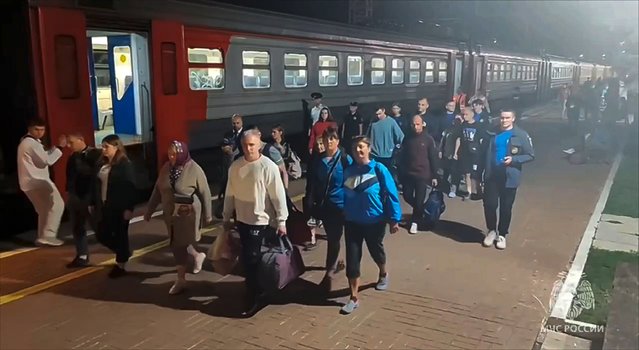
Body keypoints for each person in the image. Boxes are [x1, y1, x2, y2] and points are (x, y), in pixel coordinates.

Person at [222, 129, 289, 317]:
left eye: (252, 145)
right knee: (249, 259)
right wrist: (226, 217)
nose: (248, 148)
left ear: (259, 145)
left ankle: (253, 297)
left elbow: (278, 195)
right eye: (245, 145)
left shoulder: (268, 167)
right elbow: (229, 194)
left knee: (253, 260)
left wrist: (282, 221)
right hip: (242, 220)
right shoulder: (235, 167)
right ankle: (257, 290)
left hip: (262, 221)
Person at [340, 136, 401, 314]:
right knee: (352, 259)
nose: (358, 151)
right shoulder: (349, 171)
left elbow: (390, 193)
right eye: (355, 148)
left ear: (368, 148)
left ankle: (383, 272)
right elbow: (344, 193)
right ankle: (353, 297)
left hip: (375, 221)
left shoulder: (379, 169)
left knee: (376, 250)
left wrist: (394, 219)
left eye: (361, 147)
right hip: (352, 222)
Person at [144, 140, 212, 294]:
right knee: (177, 243)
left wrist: (208, 215)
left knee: (180, 243)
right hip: (170, 215)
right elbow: (157, 190)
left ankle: (184, 273)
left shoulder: (194, 169)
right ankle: (190, 265)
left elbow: (205, 193)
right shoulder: (166, 169)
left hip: (188, 214)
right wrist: (149, 210)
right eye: (169, 154)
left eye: (174, 154)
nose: (172, 157)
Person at [307, 127, 352, 292]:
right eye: (326, 139)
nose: (329, 142)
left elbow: (355, 180)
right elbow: (312, 184)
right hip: (327, 207)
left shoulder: (345, 159)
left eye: (332, 139)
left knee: (348, 240)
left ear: (338, 141)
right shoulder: (318, 160)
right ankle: (331, 271)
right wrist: (310, 204)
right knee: (333, 240)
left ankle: (336, 274)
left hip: (344, 207)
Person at [482, 109, 534, 250]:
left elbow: (530, 155)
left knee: (506, 207)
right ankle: (491, 230)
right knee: (490, 205)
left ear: (513, 118)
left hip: (509, 177)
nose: (504, 120)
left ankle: (502, 234)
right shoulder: (491, 133)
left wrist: (514, 159)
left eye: (507, 118)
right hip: (492, 175)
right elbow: (483, 152)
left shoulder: (521, 135)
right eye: (502, 118)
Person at [92, 135, 137, 278]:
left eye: (107, 147)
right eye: (102, 146)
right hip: (105, 205)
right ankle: (123, 252)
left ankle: (121, 264)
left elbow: (131, 187)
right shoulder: (102, 163)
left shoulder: (124, 164)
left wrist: (129, 208)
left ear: (116, 147)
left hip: (119, 206)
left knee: (120, 234)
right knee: (101, 234)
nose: (103, 149)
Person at [17, 118, 67, 247]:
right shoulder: (31, 143)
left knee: (44, 209)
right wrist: (60, 147)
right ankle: (49, 235)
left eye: (42, 130)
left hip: (28, 183)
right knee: (58, 204)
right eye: (36, 129)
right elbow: (47, 161)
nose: (40, 132)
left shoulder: (26, 142)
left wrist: (52, 149)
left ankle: (41, 236)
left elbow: (42, 157)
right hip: (38, 181)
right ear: (30, 129)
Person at [65, 133, 101, 267]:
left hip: (89, 196)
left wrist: (94, 200)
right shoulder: (72, 158)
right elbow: (69, 177)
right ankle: (82, 255)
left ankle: (119, 249)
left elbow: (96, 178)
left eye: (71, 142)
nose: (69, 146)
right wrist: (69, 193)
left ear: (81, 140)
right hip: (76, 196)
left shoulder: (95, 155)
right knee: (77, 227)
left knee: (97, 225)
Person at [400, 115, 439, 234]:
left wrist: (435, 176)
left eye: (417, 124)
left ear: (423, 124)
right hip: (408, 173)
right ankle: (422, 211)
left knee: (418, 199)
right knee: (407, 196)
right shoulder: (407, 138)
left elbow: (433, 158)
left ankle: (415, 222)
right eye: (413, 124)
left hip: (422, 175)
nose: (415, 127)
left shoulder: (428, 139)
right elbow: (403, 156)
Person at [456, 106, 487, 201]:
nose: (465, 116)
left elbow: (482, 140)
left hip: (475, 153)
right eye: (463, 115)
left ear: (472, 114)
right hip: (465, 153)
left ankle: (479, 191)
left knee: (476, 174)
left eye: (466, 114)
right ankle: (468, 192)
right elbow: (459, 139)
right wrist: (456, 152)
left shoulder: (479, 126)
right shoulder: (462, 126)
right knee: (467, 173)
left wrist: (482, 152)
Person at [367, 106, 404, 170]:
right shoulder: (372, 123)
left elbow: (400, 137)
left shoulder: (391, 122)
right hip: (375, 155)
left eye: (380, 114)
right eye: (376, 114)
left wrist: (398, 148)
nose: (378, 116)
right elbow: (367, 137)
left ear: (384, 110)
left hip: (388, 156)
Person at [439, 115, 463, 198]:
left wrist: (456, 153)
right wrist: (440, 151)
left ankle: (453, 190)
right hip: (446, 154)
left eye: (458, 120)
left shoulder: (461, 130)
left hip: (457, 156)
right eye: (455, 120)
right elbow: (442, 141)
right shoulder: (447, 130)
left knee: (454, 173)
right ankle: (444, 186)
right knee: (445, 171)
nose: (456, 121)